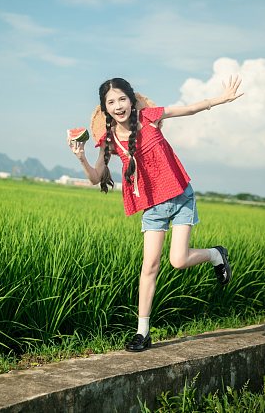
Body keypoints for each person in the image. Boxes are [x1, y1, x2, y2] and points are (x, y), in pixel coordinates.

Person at [68, 76, 243, 352]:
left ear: (131, 99)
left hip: (181, 195)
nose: (118, 106)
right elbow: (96, 177)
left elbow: (189, 109)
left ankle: (215, 255)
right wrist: (81, 158)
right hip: (152, 207)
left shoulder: (149, 117)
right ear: (105, 108)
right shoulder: (109, 140)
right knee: (149, 266)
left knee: (178, 260)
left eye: (122, 99)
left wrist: (221, 99)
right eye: (110, 102)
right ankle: (142, 332)